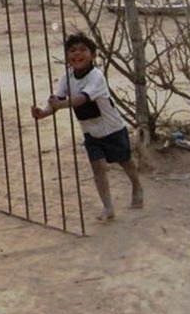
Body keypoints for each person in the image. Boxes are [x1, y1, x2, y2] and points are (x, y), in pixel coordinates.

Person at [32, 32, 144, 221]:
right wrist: (42, 113)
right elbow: (57, 101)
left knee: (125, 162)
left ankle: (136, 186)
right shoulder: (66, 78)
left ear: (93, 55)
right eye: (72, 50)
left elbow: (81, 99)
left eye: (83, 50)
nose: (77, 54)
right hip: (90, 132)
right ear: (67, 56)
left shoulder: (96, 76)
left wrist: (60, 104)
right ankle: (108, 206)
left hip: (112, 128)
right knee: (98, 167)